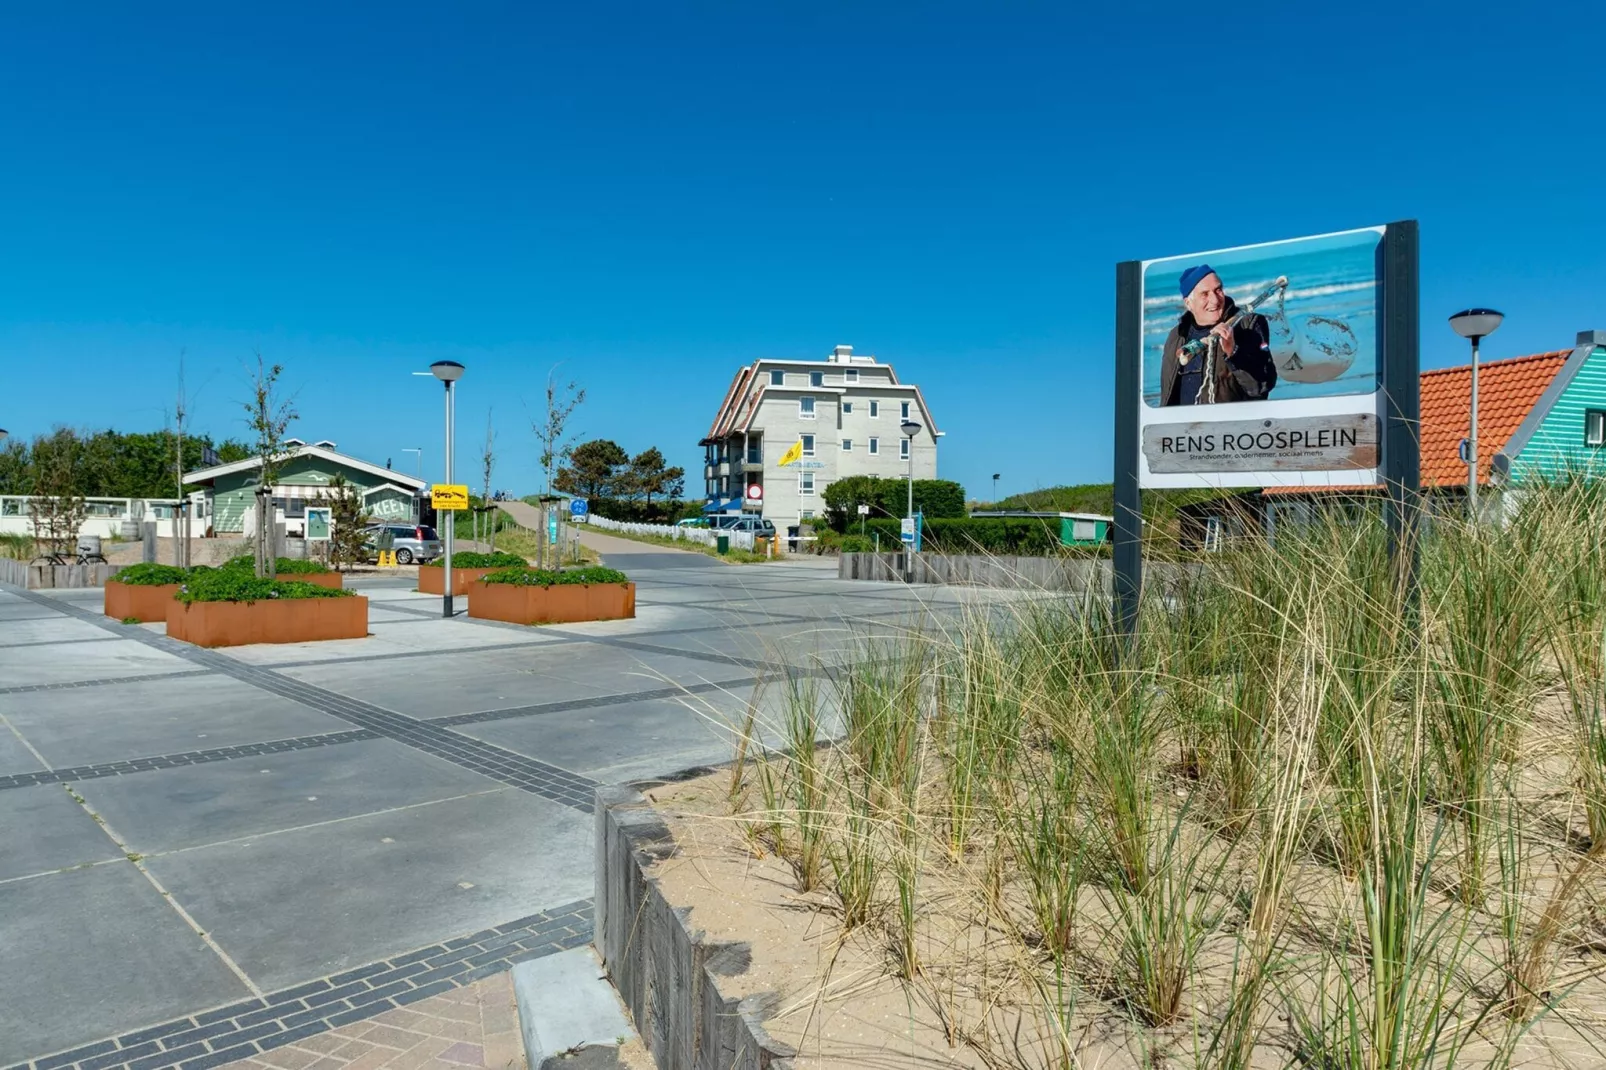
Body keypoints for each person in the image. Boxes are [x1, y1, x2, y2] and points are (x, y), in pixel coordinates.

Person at [1160, 264, 1277, 406]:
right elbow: (1167, 395)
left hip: (1231, 424)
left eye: (1218, 290)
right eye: (1205, 294)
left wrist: (1233, 352)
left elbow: (1261, 387)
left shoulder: (1249, 324)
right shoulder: (1177, 335)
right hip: (1185, 425)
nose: (1215, 300)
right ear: (1188, 303)